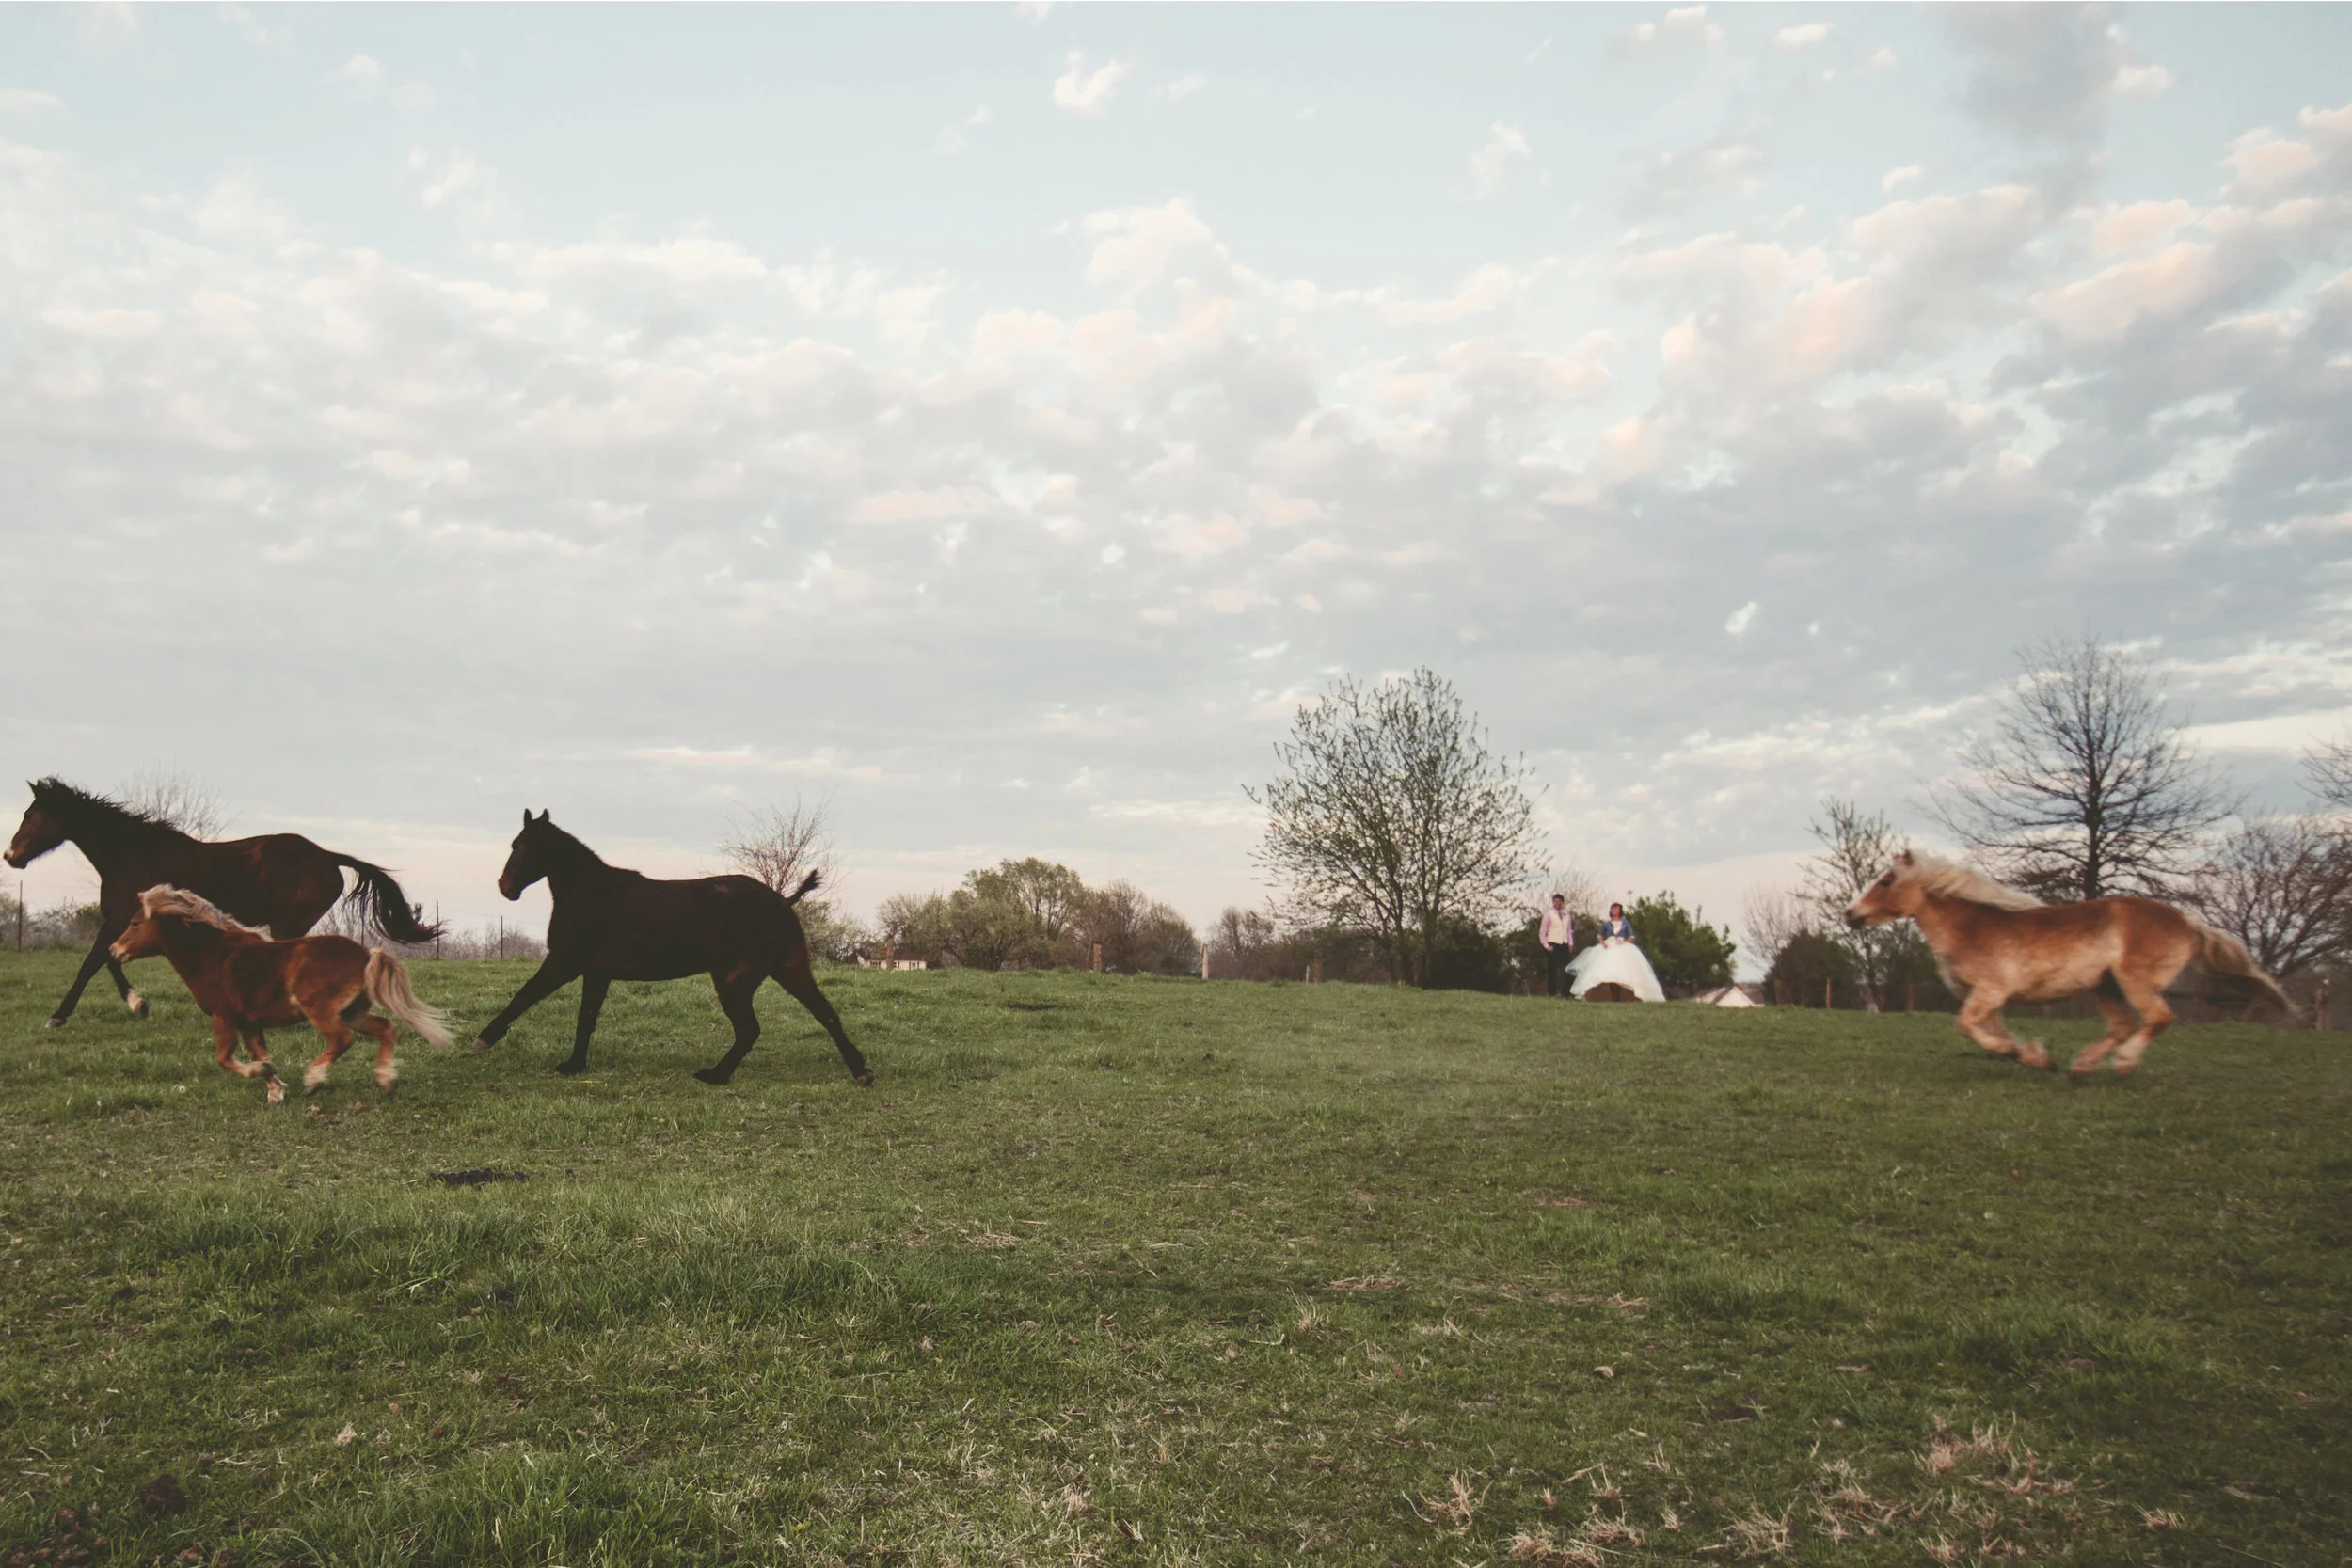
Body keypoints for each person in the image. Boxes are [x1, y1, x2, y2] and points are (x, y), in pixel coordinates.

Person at [1539, 894, 1574, 998]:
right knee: (1552, 969)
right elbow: (1542, 931)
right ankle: (1551, 992)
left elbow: (1569, 931)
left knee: (1569, 968)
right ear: (1553, 902)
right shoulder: (1548, 915)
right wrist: (1546, 945)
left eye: (1560, 901)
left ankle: (1565, 992)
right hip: (1553, 943)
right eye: (1556, 901)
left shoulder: (1566, 915)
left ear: (1562, 903)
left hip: (1564, 944)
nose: (1558, 903)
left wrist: (1571, 943)